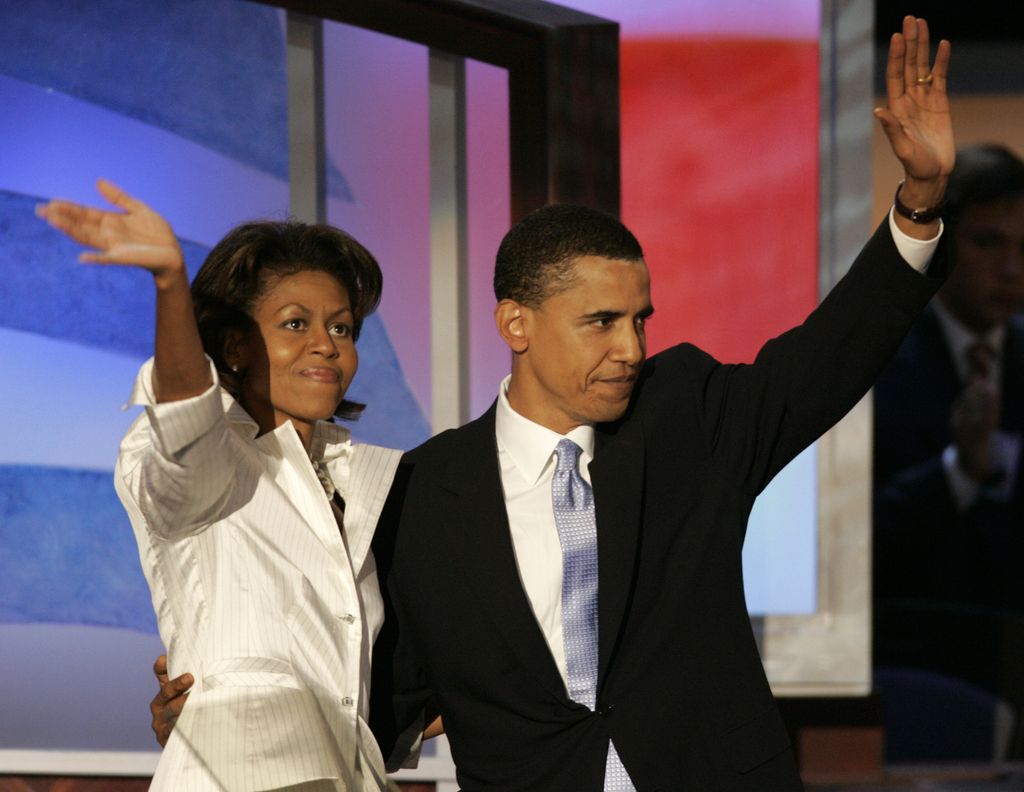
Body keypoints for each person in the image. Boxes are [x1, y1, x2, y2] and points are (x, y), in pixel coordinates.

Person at [156, 15, 954, 790]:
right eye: (601, 322)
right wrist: (212, 713)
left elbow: (826, 360)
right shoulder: (423, 493)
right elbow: (367, 692)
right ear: (516, 323)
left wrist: (917, 203)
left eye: (641, 319)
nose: (632, 348)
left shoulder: (687, 415)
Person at [38, 186, 402, 791]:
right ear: (234, 346)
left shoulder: (354, 477)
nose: (326, 344)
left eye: (342, 327)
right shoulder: (215, 461)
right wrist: (170, 282)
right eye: (295, 323)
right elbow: (187, 418)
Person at [873, 144, 1024, 612]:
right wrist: (957, 471)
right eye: (988, 242)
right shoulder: (876, 359)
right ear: (941, 241)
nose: (1011, 270)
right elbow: (850, 536)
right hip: (911, 645)